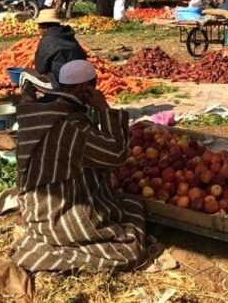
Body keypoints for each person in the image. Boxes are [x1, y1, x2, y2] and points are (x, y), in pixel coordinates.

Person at [12, 59, 146, 273]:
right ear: (86, 89)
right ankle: (63, 249)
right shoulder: (71, 126)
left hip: (34, 212)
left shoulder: (40, 114)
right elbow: (117, 154)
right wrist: (104, 109)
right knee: (128, 250)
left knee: (129, 204)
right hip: (58, 216)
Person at [33, 9, 87, 88]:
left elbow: (41, 69)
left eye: (39, 27)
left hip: (62, 83)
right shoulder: (68, 35)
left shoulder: (47, 40)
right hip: (81, 80)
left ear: (44, 27)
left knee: (26, 74)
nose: (38, 29)